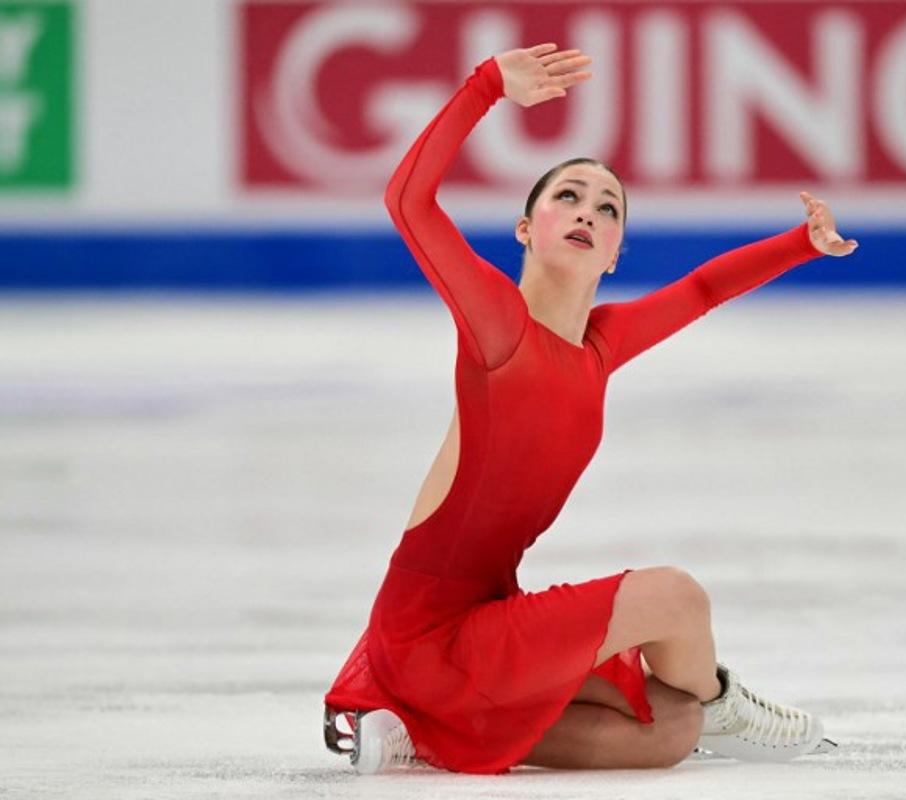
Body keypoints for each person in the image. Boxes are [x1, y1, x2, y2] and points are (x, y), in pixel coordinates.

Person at [322, 42, 859, 775]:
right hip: (428, 633)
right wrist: (484, 88)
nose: (587, 212)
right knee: (674, 600)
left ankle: (422, 729)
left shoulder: (600, 348)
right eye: (567, 197)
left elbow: (701, 291)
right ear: (526, 229)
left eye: (607, 209)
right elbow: (407, 201)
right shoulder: (498, 326)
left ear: (614, 254)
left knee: (668, 728)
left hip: (485, 623)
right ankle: (728, 705)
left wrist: (802, 244)